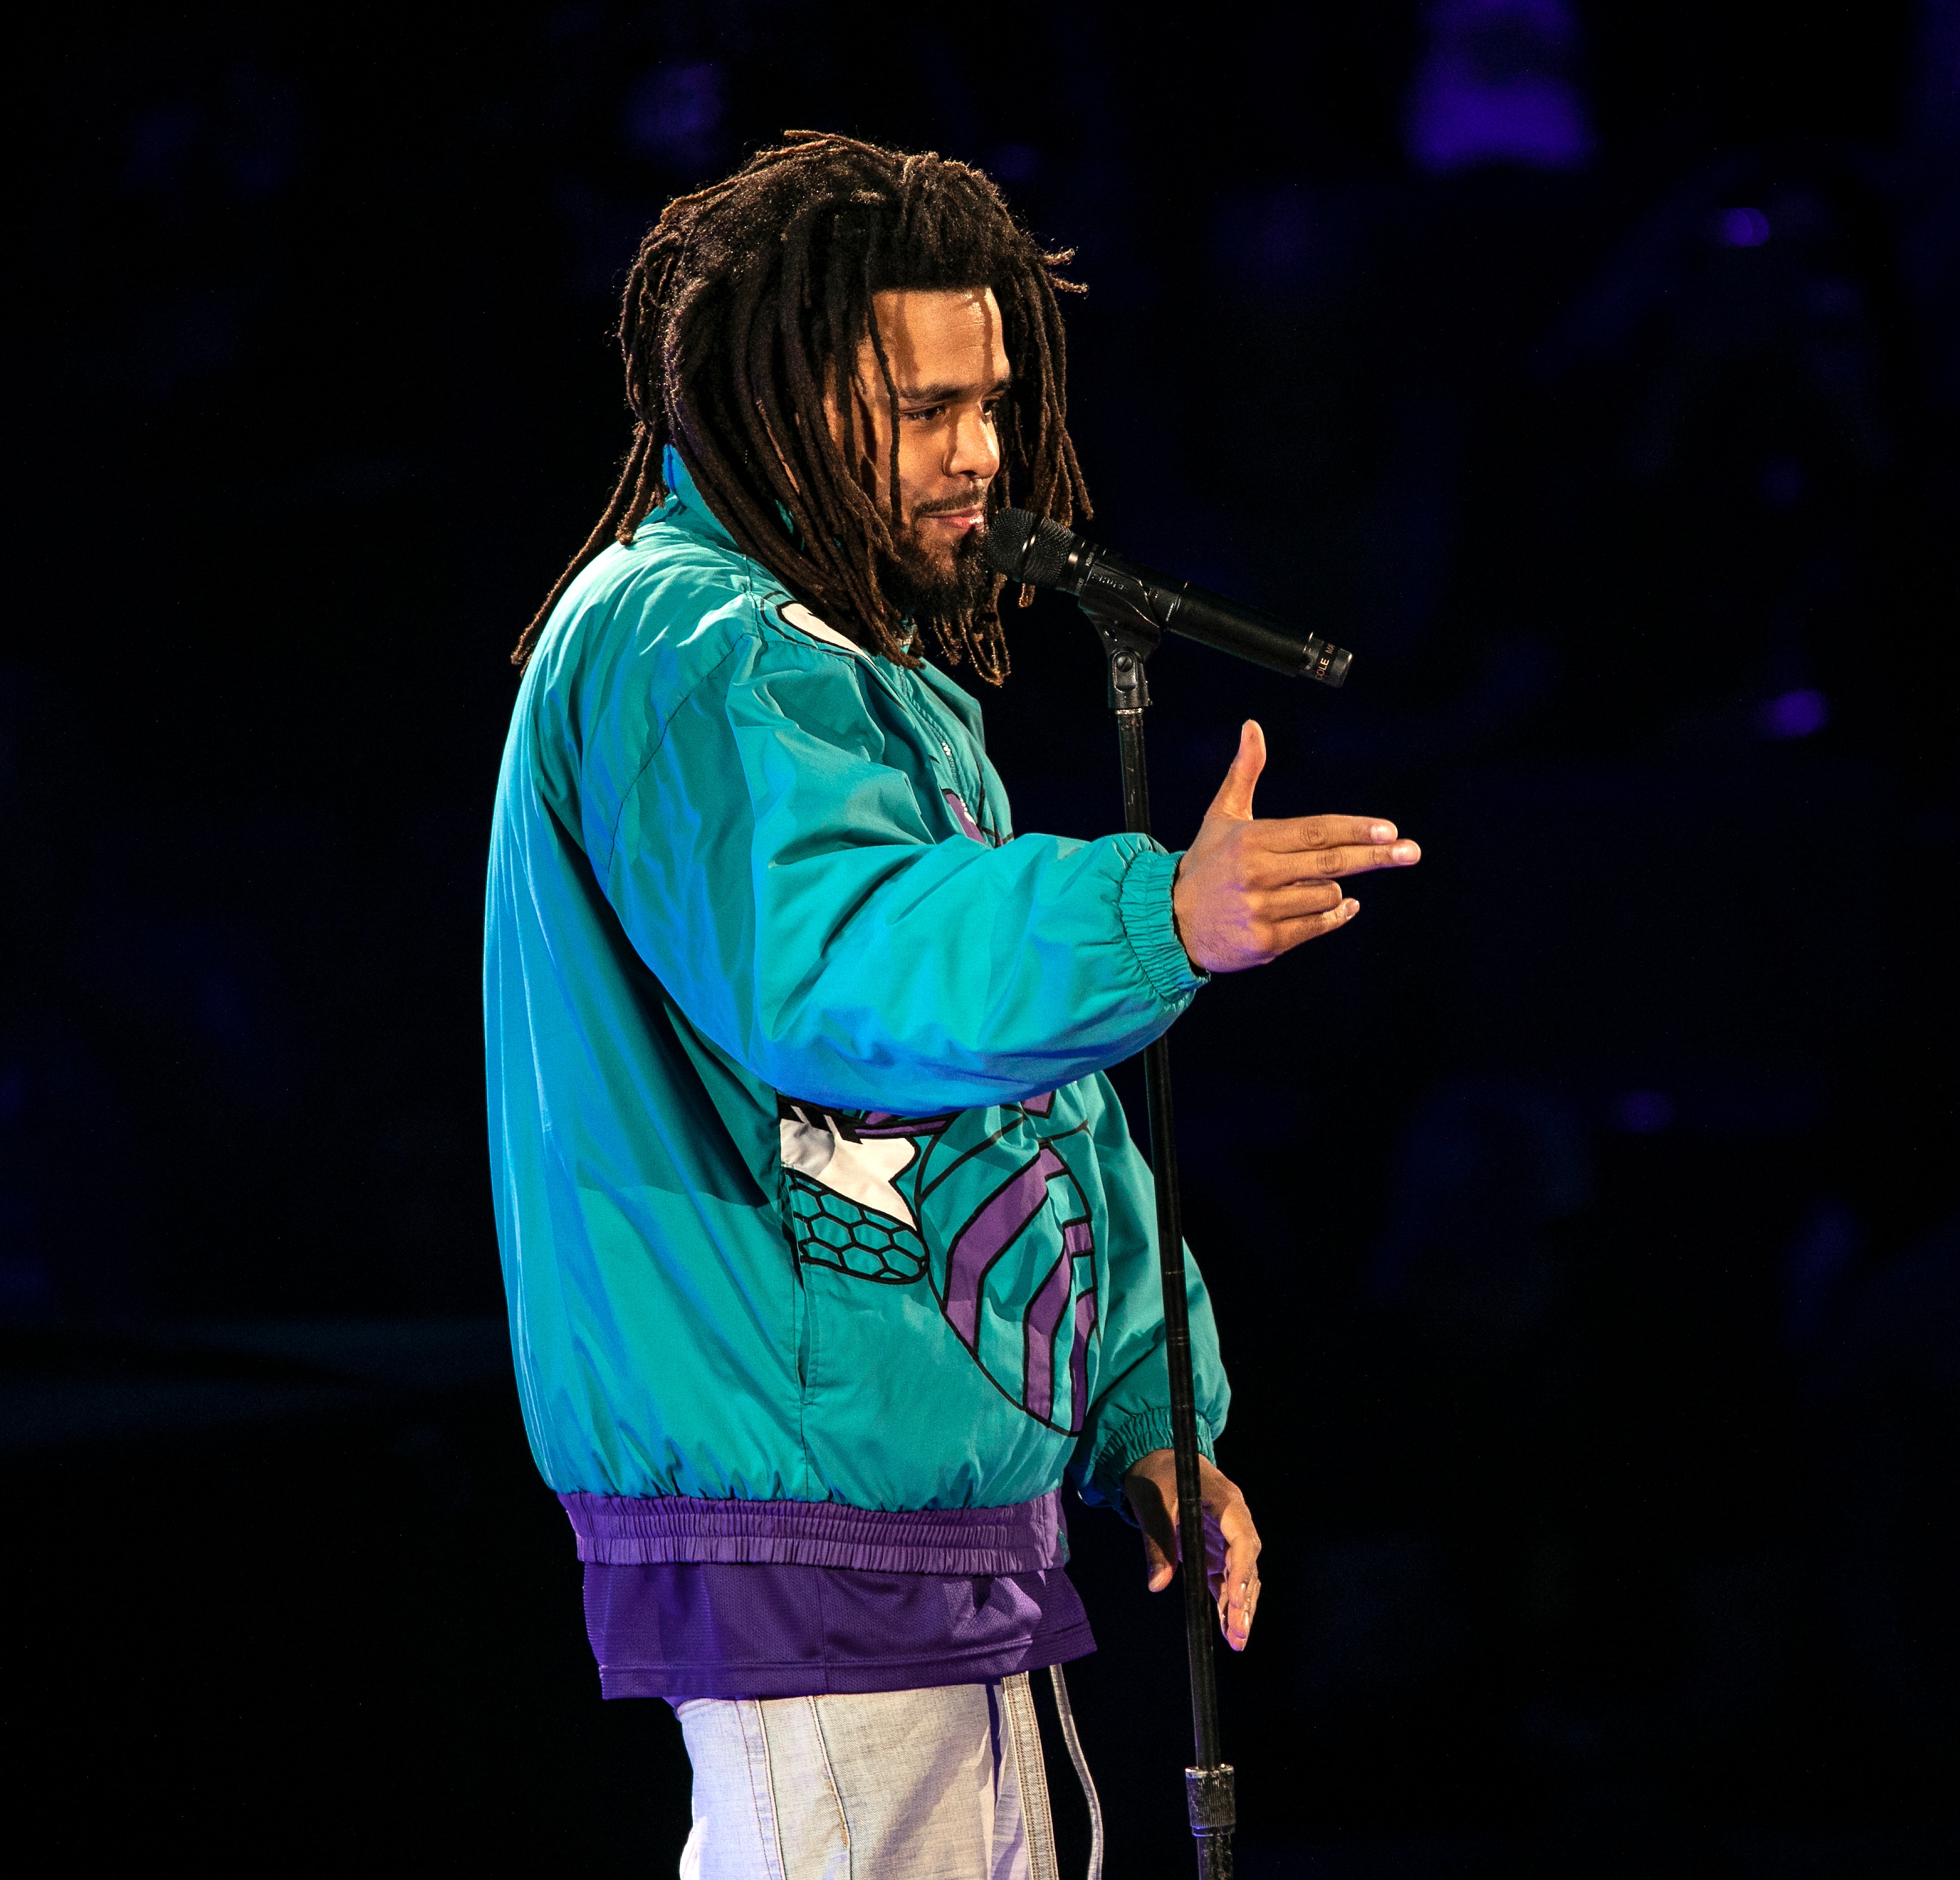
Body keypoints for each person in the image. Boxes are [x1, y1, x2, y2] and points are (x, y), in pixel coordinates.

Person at [483, 131, 1418, 1877]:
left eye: (993, 401)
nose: (985, 454)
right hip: (807, 1484)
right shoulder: (694, 645)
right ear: (772, 411)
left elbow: (1024, 1115)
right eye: (928, 410)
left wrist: (1151, 1407)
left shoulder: (855, 674)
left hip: (921, 1504)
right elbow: (839, 966)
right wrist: (1158, 913)